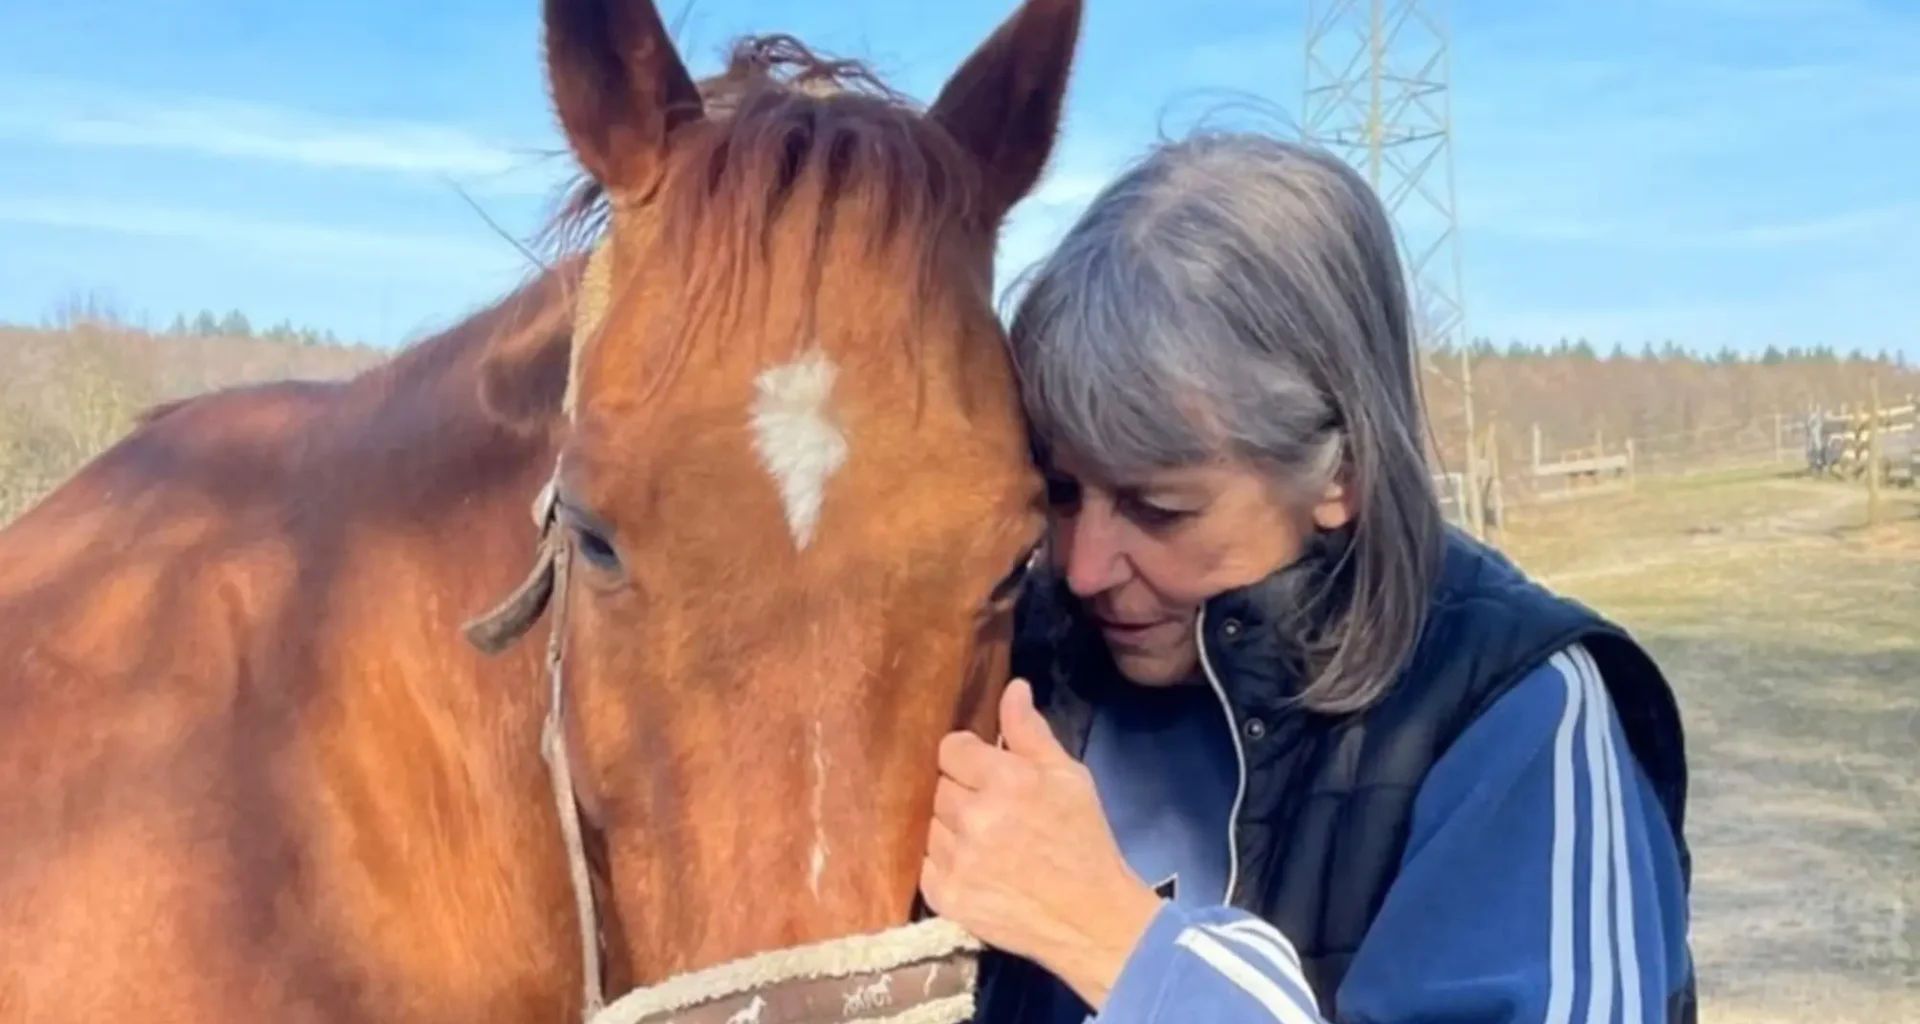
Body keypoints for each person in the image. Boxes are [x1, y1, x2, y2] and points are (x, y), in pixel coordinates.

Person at [915, 131, 1696, 1024]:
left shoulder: (1520, 719)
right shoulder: (1029, 662)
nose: (1085, 568)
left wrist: (1118, 948)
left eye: (1161, 509)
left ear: (1341, 472)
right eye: (1060, 491)